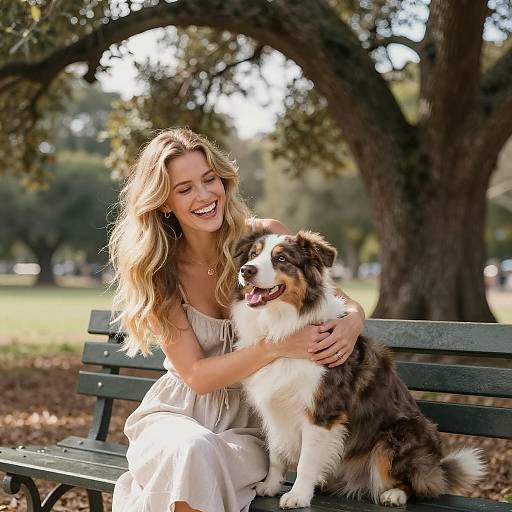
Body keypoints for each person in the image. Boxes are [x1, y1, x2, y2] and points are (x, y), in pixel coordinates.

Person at [109, 128, 365, 512]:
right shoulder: (158, 270)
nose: (204, 195)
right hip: (179, 414)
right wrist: (276, 346)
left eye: (209, 180)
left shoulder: (267, 239)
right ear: (164, 203)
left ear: (223, 180)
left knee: (198, 461)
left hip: (256, 423)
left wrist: (353, 321)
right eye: (185, 189)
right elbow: (197, 376)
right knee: (190, 451)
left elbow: (342, 302)